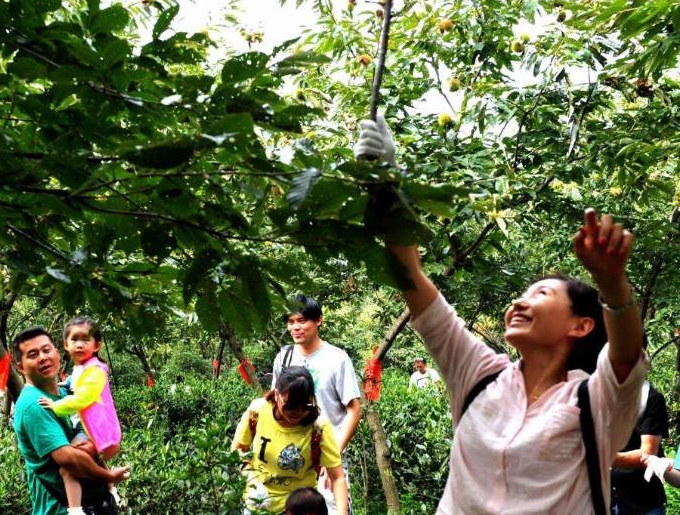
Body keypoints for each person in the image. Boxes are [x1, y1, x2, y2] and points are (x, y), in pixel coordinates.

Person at [355, 115, 647, 514]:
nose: (518, 303)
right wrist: (387, 184)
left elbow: (625, 357)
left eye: (541, 293)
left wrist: (612, 284)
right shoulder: (479, 375)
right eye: (520, 295)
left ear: (581, 325)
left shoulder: (593, 402)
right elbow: (412, 278)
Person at [12, 327, 128, 515]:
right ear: (21, 367)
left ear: (58, 354)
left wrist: (97, 444)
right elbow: (68, 459)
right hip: (60, 509)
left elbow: (101, 429)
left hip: (97, 504)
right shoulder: (33, 404)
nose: (43, 358)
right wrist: (108, 475)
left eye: (46, 350)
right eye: (33, 355)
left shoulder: (67, 394)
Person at [271, 295, 361, 515]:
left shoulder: (337, 358)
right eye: (291, 322)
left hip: (328, 453)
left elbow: (354, 410)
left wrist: (334, 454)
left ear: (319, 320)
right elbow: (274, 404)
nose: (295, 327)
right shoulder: (283, 358)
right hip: (291, 456)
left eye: (302, 321)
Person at [232, 366, 348, 515]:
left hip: (300, 506)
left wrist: (342, 512)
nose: (297, 412)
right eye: (291, 406)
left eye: (305, 406)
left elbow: (337, 478)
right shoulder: (258, 412)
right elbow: (237, 451)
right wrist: (249, 478)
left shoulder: (318, 426)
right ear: (277, 394)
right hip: (258, 501)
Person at [38, 317, 123, 512]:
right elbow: (77, 380)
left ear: (96, 345)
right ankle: (112, 490)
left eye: (86, 339)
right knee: (93, 460)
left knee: (68, 468)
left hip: (92, 430)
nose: (79, 344)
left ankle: (75, 510)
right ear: (66, 345)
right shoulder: (83, 367)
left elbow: (83, 398)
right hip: (86, 427)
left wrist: (56, 406)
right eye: (74, 339)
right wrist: (66, 384)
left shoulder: (96, 370)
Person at [611, 381, 668, 515]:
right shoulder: (594, 394)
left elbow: (648, 453)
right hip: (607, 499)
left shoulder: (649, 397)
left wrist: (601, 457)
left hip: (642, 502)